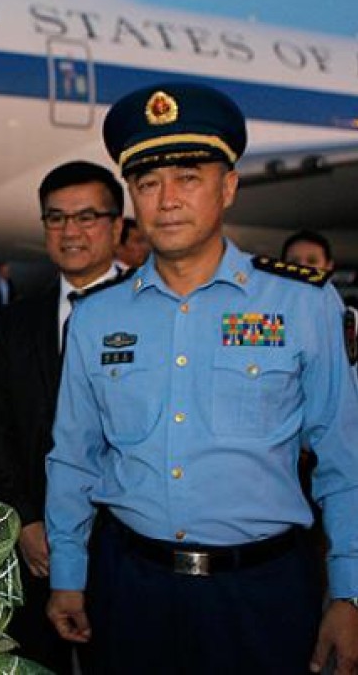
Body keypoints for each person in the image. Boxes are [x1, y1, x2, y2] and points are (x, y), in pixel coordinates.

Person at [45, 82, 358, 675]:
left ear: (229, 187)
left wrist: (349, 593)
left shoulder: (302, 304)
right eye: (147, 183)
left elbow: (346, 461)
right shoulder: (96, 317)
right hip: (130, 590)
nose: (166, 200)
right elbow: (73, 458)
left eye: (188, 177)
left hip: (262, 594)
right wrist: (68, 574)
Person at [0, 160, 123, 674]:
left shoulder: (152, 312)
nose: (70, 231)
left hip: (127, 553)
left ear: (118, 226)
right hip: (37, 550)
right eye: (56, 218)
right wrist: (24, 520)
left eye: (87, 217)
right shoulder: (16, 322)